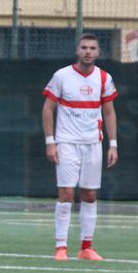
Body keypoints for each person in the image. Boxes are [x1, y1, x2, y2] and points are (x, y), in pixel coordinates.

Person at [42, 32, 118, 261]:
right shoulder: (62, 76)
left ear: (98, 52)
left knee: (90, 194)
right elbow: (47, 109)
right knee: (66, 193)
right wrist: (50, 142)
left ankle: (86, 247)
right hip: (66, 143)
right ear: (77, 50)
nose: (88, 52)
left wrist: (113, 144)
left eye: (92, 48)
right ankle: (61, 248)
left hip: (93, 144)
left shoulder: (104, 78)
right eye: (84, 47)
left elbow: (109, 112)